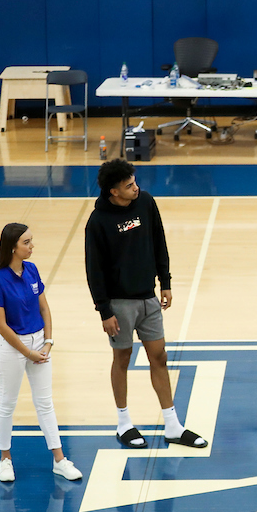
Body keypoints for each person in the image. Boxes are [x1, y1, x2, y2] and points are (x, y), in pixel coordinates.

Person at [85, 159, 206, 450]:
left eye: (134, 181)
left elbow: (158, 241)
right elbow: (94, 269)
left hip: (148, 297)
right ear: (114, 192)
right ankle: (124, 422)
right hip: (118, 303)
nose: (135, 187)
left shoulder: (146, 202)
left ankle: (173, 425)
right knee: (122, 359)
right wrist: (104, 310)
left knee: (159, 357)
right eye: (128, 186)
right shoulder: (98, 222)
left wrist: (165, 282)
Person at [0, 224, 82, 482]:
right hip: (11, 347)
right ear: (12, 247)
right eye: (26, 242)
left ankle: (59, 460)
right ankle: (5, 459)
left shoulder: (32, 270)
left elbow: (44, 308)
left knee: (45, 402)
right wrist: (27, 352)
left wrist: (48, 342)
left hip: (39, 343)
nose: (31, 246)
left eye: (31, 241)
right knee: (7, 402)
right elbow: (1, 324)